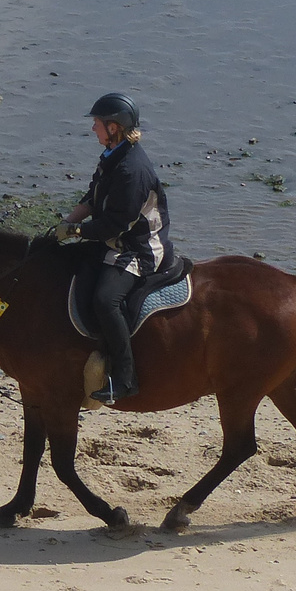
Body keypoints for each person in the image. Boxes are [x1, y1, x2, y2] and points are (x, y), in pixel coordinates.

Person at [55, 92, 173, 403]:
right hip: (112, 240)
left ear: (114, 127)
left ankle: (125, 377)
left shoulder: (131, 170)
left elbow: (116, 224)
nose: (93, 128)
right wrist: (63, 225)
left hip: (138, 248)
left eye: (96, 123)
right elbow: (92, 197)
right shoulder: (111, 156)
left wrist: (77, 230)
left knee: (106, 300)